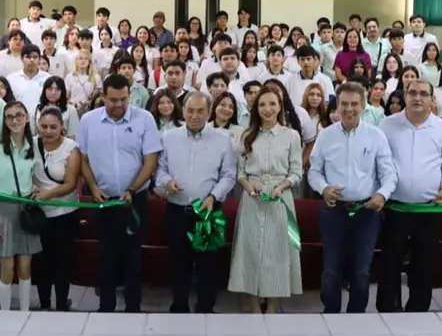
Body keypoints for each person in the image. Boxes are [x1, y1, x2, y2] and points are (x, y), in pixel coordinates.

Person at [308, 82, 397, 313]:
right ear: (337, 105)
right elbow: (314, 171)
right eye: (344, 104)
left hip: (366, 211)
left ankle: (356, 315)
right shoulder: (326, 136)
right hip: (334, 210)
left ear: (363, 105)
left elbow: (389, 174)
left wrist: (382, 194)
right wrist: (323, 188)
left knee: (361, 270)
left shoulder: (376, 136)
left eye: (354, 104)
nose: (349, 109)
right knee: (331, 269)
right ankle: (331, 313)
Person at [77, 74, 163, 312]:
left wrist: (132, 189)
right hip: (102, 200)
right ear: (103, 96)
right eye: (113, 100)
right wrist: (93, 187)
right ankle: (106, 306)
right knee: (105, 253)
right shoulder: (88, 121)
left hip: (134, 200)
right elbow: (82, 159)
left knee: (133, 254)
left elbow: (150, 160)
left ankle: (133, 306)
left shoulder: (144, 119)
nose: (119, 105)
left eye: (123, 99)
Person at [377, 79, 442, 313]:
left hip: (429, 208)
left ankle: (418, 309)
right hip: (394, 207)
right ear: (404, 97)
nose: (417, 98)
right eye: (412, 93)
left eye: (424, 94)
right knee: (390, 261)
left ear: (433, 100)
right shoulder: (387, 125)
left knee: (424, 262)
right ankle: (388, 308)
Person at [155, 92, 237, 313]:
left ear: (209, 113)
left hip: (208, 211)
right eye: (190, 110)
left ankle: (205, 308)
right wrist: (167, 182)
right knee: (178, 263)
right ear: (182, 111)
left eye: (200, 111)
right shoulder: (169, 137)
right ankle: (179, 306)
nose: (194, 115)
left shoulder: (222, 139)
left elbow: (229, 175)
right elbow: (159, 169)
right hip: (176, 209)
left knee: (208, 264)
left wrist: (213, 196)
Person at [228, 85, 304, 314]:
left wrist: (281, 186)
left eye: (272, 104)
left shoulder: (291, 135)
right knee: (250, 249)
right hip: (252, 198)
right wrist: (249, 187)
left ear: (280, 106)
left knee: (277, 251)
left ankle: (273, 301)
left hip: (280, 199)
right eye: (262, 104)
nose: (267, 109)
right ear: (255, 108)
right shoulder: (247, 135)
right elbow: (240, 172)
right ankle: (251, 299)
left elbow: (297, 171)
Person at [0, 101, 42, 311]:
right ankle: (4, 315)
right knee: (7, 267)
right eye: (9, 117)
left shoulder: (33, 145)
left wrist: (35, 187)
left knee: (25, 267)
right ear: (4, 121)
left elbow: (36, 176)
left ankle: (24, 313)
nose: (14, 121)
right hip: (2, 211)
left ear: (27, 118)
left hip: (25, 210)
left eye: (19, 116)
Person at [32, 107, 81, 311]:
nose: (48, 131)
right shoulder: (31, 144)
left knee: (62, 261)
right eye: (44, 126)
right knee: (41, 261)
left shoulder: (71, 148)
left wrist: (47, 195)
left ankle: (62, 303)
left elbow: (71, 183)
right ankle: (44, 303)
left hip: (65, 213)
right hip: (39, 215)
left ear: (62, 126)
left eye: (53, 127)